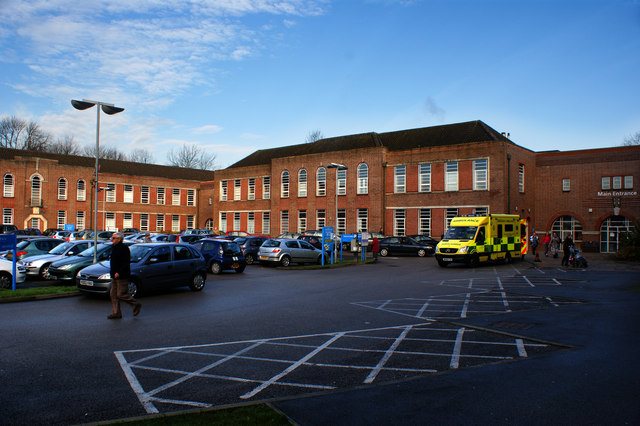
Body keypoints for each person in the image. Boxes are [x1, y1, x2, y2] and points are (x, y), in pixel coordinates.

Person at [108, 232, 141, 319]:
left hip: (122, 275)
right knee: (113, 294)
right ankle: (116, 313)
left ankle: (135, 304)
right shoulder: (114, 248)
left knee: (120, 294)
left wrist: (119, 272)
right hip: (114, 275)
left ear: (119, 239)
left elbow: (126, 263)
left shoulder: (124, 248)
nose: (112, 239)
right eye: (112, 237)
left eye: (114, 238)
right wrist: (112, 272)